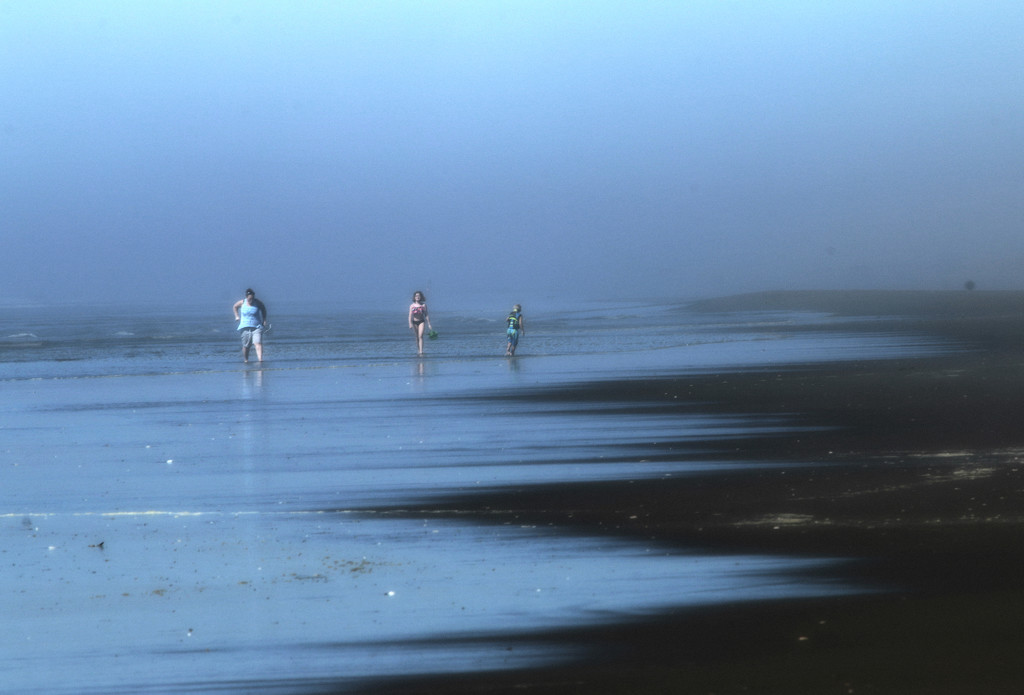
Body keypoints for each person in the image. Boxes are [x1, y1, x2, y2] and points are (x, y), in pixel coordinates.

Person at [233, 289, 268, 362]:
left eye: (252, 298)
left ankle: (260, 359)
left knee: (257, 343)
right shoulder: (242, 302)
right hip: (245, 326)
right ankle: (246, 360)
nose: (251, 300)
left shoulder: (257, 302)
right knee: (246, 345)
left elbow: (263, 309)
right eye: (249, 298)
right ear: (246, 297)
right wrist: (237, 316)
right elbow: (235, 307)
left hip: (257, 326)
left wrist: (264, 320)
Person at [408, 290, 432, 355]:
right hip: (414, 322)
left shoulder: (423, 305)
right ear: (414, 297)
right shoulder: (412, 306)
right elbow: (410, 315)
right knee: (417, 337)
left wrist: (429, 324)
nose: (417, 297)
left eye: (419, 296)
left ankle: (421, 351)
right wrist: (410, 323)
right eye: (416, 296)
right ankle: (418, 349)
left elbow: (426, 314)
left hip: (421, 321)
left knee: (420, 336)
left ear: (421, 297)